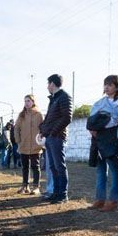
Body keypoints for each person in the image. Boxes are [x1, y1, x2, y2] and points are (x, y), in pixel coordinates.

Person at [87, 75, 118, 212]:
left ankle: (113, 201)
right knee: (100, 170)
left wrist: (100, 120)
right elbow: (91, 121)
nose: (106, 87)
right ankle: (100, 199)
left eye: (110, 85)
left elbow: (115, 118)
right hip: (98, 138)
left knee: (115, 170)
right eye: (105, 84)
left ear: (117, 86)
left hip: (112, 137)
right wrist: (98, 124)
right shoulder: (99, 102)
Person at [39, 74, 73, 204]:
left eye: (48, 84)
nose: (47, 87)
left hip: (57, 137)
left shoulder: (64, 97)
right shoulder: (53, 99)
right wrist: (43, 130)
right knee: (53, 166)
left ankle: (63, 194)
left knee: (59, 166)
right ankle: (56, 193)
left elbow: (67, 117)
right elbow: (49, 119)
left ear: (52, 84)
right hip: (50, 137)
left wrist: (52, 132)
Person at [14, 95, 44, 194]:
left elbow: (43, 129)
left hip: (36, 145)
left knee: (36, 166)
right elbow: (16, 128)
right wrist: (18, 141)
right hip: (24, 145)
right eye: (25, 101)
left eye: (28, 101)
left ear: (33, 102)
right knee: (25, 166)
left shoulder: (39, 114)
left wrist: (41, 141)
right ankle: (25, 186)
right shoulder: (21, 115)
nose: (26, 103)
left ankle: (36, 187)